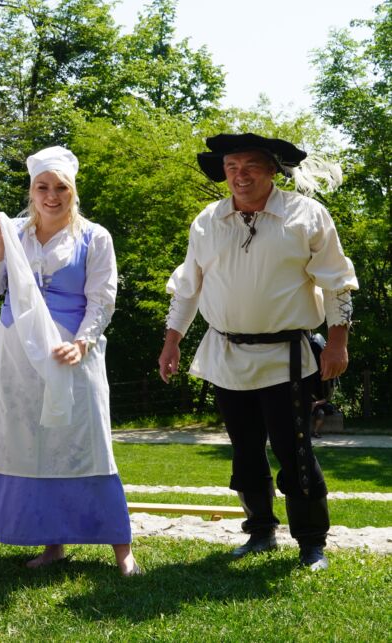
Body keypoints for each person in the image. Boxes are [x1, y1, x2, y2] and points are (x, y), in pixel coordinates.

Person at [157, 133, 358, 571]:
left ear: (272, 169)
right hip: (226, 354)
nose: (239, 175)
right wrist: (172, 341)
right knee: (245, 449)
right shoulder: (208, 221)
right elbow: (188, 288)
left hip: (287, 357)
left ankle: (311, 543)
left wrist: (338, 341)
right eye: (231, 166)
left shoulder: (306, 215)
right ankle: (261, 533)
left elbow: (336, 282)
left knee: (294, 449)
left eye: (249, 165)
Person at [0, 145, 139, 575]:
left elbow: (102, 298)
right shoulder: (15, 234)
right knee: (34, 443)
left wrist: (82, 343)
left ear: (73, 190)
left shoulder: (93, 236)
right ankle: (53, 544)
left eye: (60, 187)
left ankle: (122, 549)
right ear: (31, 191)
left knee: (87, 442)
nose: (51, 195)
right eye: (42, 187)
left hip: (70, 352)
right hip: (16, 353)